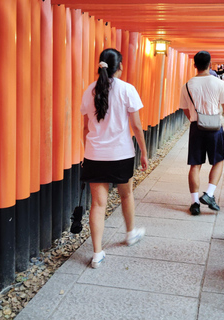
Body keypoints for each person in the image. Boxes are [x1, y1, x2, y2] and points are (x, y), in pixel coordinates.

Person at [80, 48, 148, 268]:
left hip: (95, 155)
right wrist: (144, 152)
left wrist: (88, 151)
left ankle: (97, 253)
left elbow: (85, 128)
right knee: (126, 195)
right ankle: (130, 233)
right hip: (121, 154)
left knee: (98, 205)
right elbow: (136, 126)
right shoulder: (127, 90)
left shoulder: (89, 90)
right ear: (120, 66)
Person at [179, 51, 224, 216]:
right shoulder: (218, 83)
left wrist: (195, 119)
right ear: (210, 64)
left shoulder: (187, 85)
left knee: (195, 165)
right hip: (215, 128)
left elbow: (185, 109)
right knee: (218, 161)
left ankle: (194, 203)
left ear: (195, 65)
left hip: (196, 127)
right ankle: (209, 194)